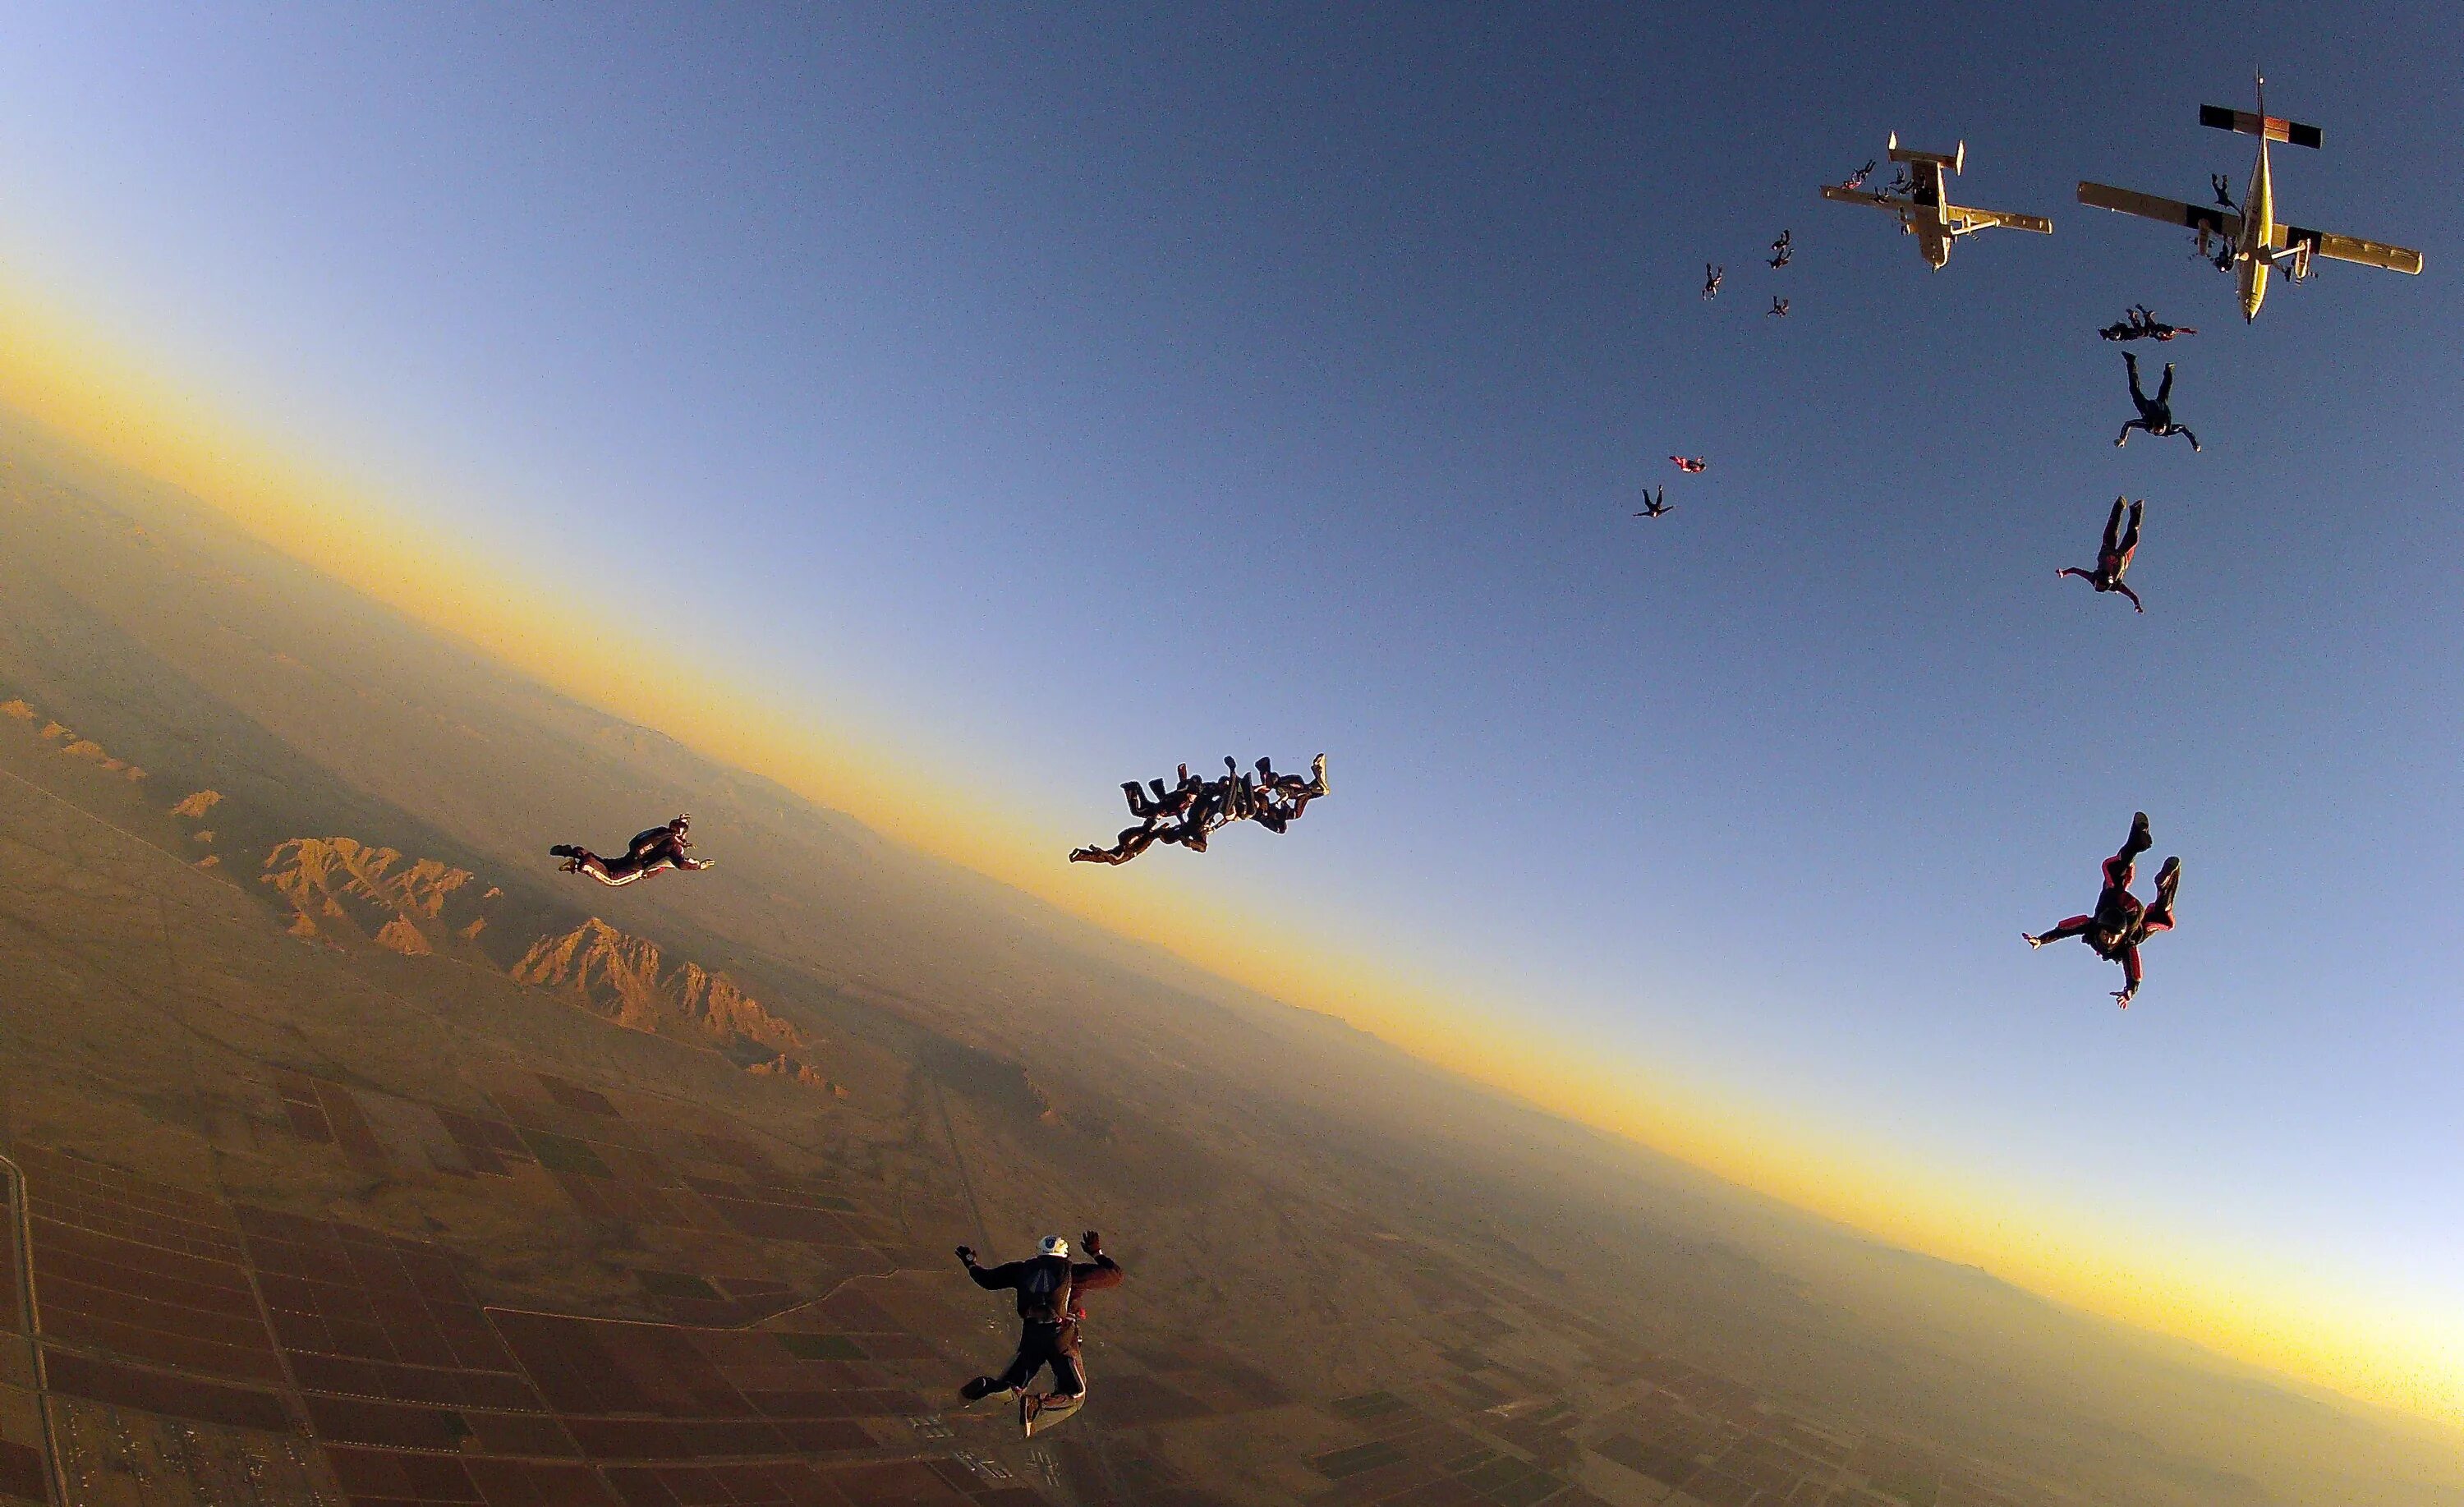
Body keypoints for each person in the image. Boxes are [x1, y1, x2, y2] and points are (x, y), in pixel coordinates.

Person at [957, 1233, 1123, 1435]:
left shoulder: (1021, 1270)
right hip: (1062, 1339)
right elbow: (1114, 1275)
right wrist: (1096, 1253)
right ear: (1064, 1254)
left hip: (1032, 1335)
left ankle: (987, 1388)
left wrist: (971, 1263)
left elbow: (987, 1280)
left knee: (1013, 1385)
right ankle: (1037, 1407)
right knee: (1075, 1394)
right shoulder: (1072, 1272)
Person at [2024, 811, 2182, 1007]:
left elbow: (2133, 970)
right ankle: (2147, 859)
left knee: (2120, 886)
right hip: (2119, 909)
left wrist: (2129, 992)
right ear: (2101, 929)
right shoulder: (2097, 927)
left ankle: (2138, 850)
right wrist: (2042, 940)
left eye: (2111, 936)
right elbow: (2065, 930)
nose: (2108, 939)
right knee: (2150, 909)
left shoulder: (2124, 942)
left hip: (2129, 915)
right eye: (2107, 934)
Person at [550, 816, 713, 887]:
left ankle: (577, 853)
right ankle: (581, 865)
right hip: (638, 869)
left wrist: (682, 821)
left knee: (606, 864)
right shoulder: (674, 847)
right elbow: (682, 864)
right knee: (611, 879)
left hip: (631, 858)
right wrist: (699, 866)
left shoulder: (663, 834)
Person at [2057, 497, 2145, 612]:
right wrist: (2137, 605)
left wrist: (2064, 572)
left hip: (2107, 548)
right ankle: (2136, 510)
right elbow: (2132, 596)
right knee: (2133, 537)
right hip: (2123, 555)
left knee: (2113, 524)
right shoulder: (2116, 586)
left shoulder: (2093, 578)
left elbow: (2075, 570)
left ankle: (2119, 504)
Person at [2114, 352, 2200, 452]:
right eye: (2157, 429)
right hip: (2155, 406)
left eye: (2157, 430)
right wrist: (2195, 443)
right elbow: (2183, 429)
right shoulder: (2168, 429)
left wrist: (2123, 439)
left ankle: (2131, 361)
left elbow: (2129, 424)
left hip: (2147, 408)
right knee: (2165, 387)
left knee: (2134, 389)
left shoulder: (2150, 425)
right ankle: (2168, 370)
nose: (2157, 431)